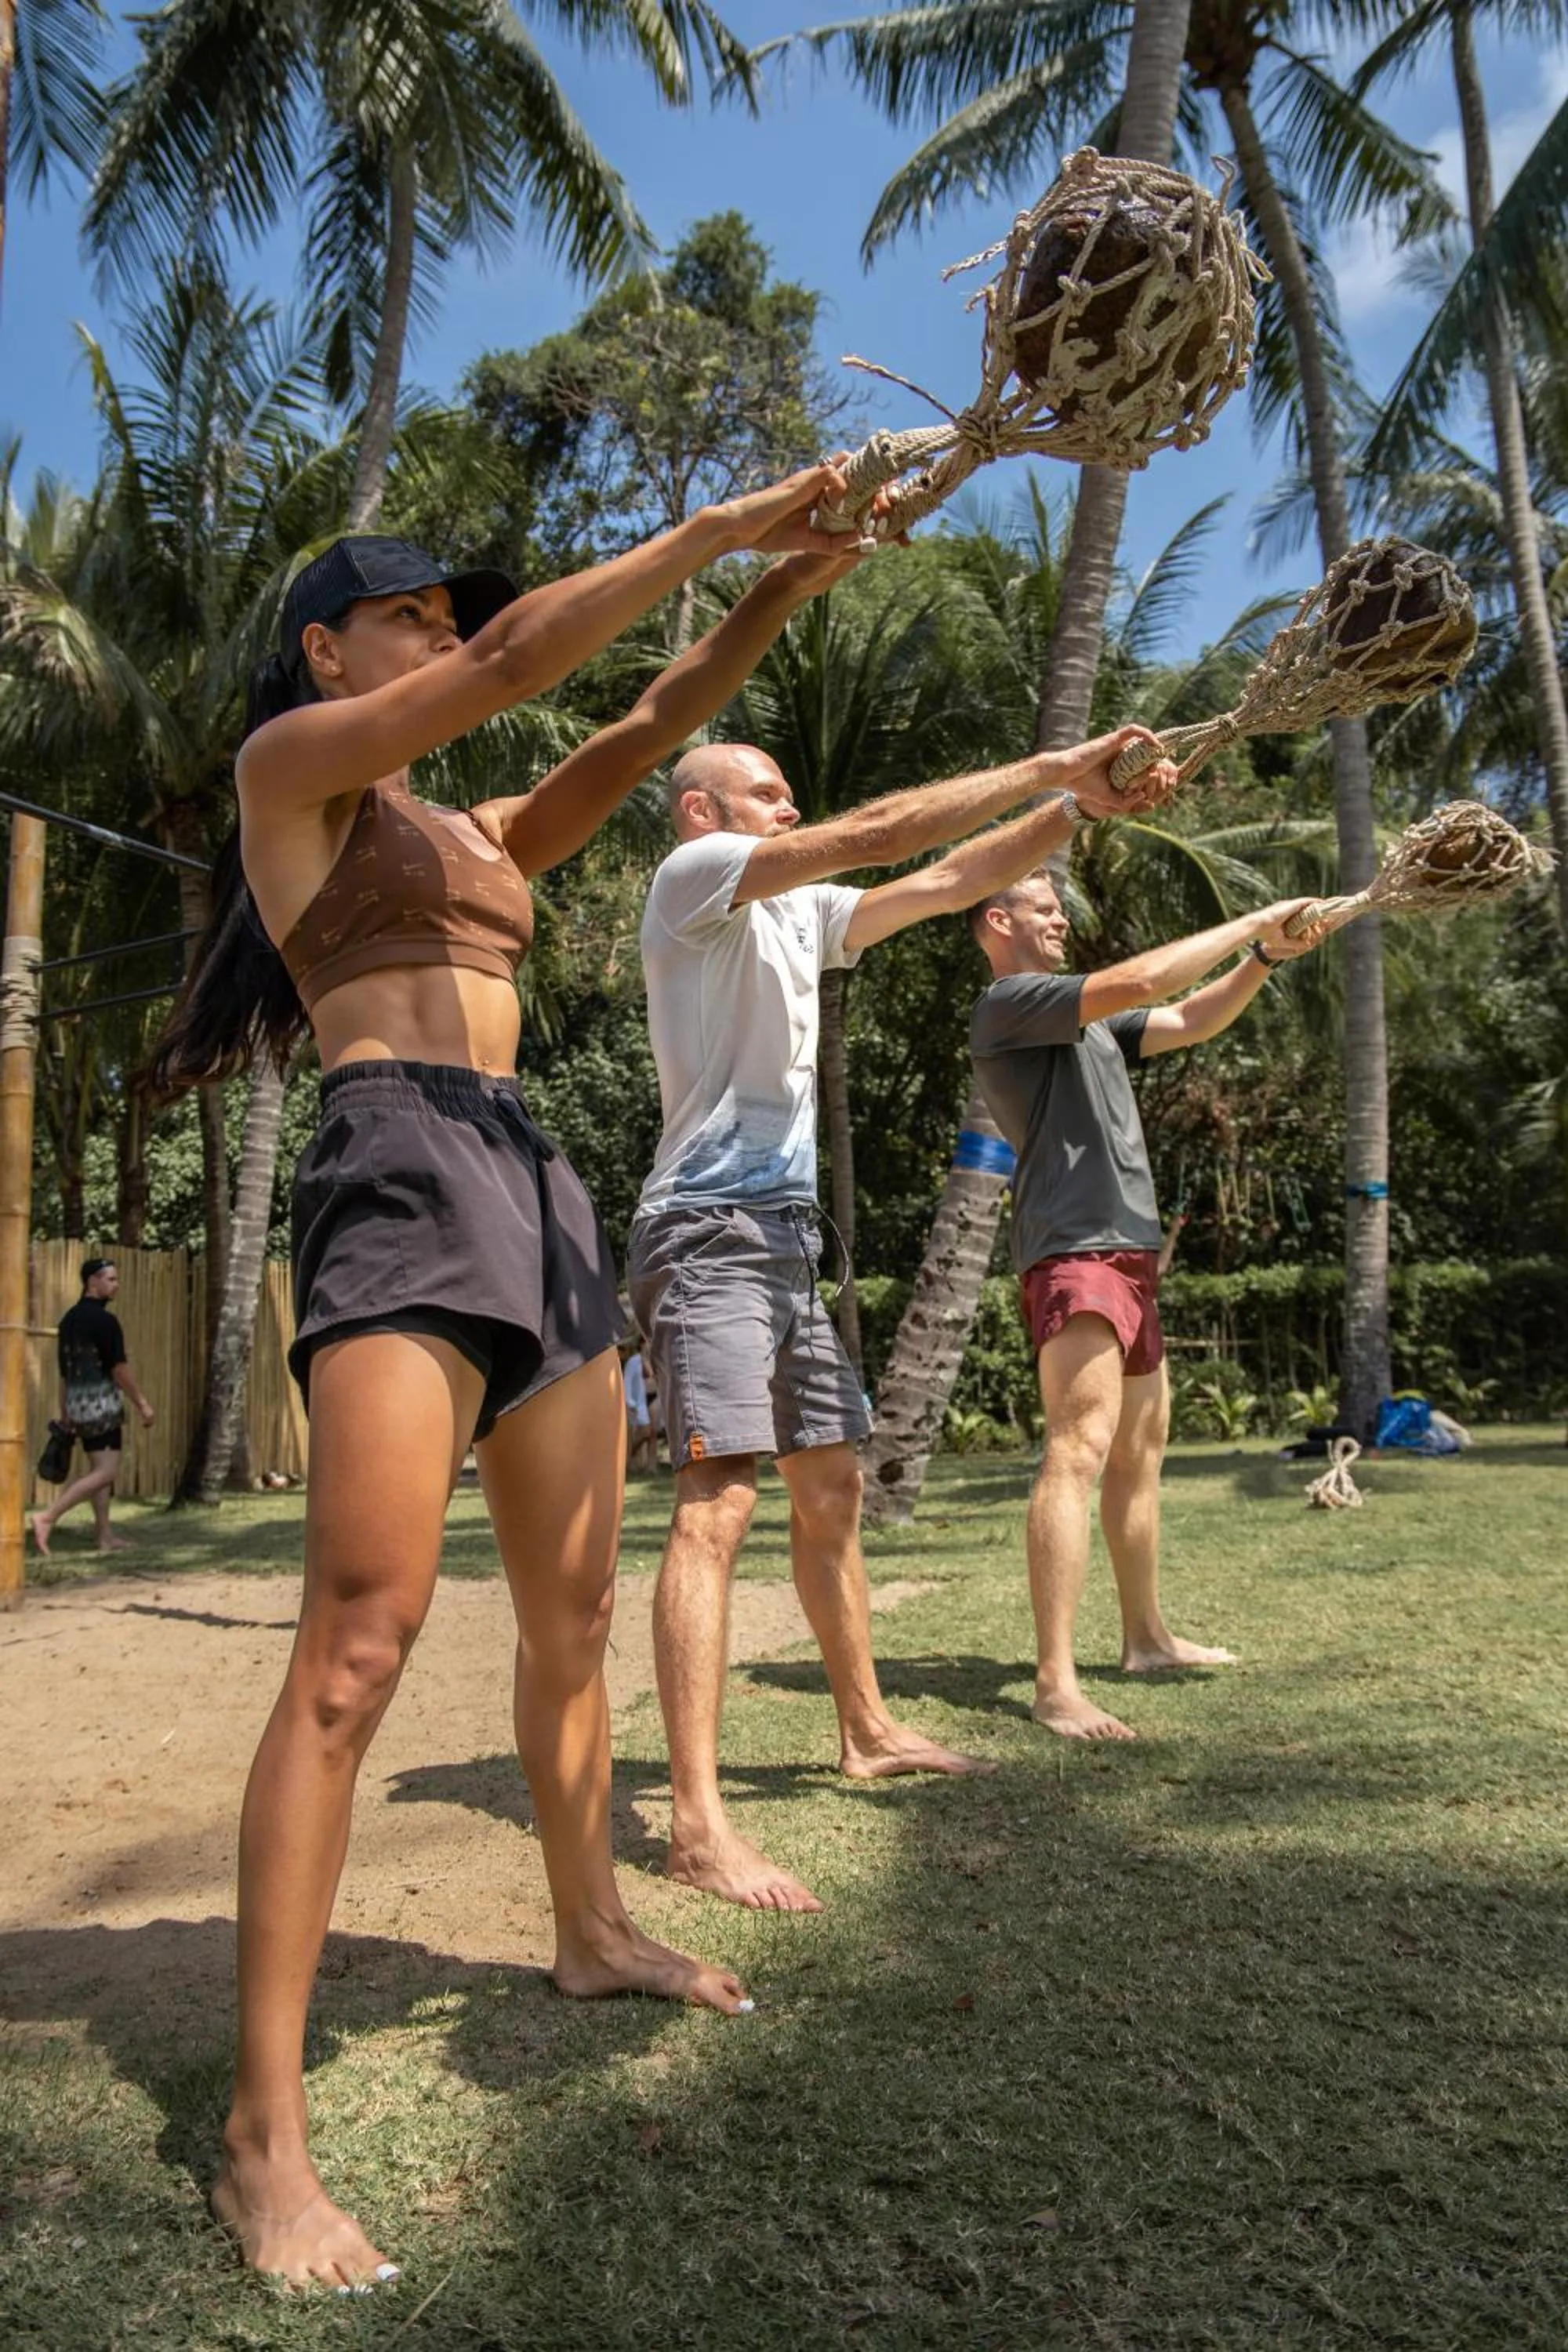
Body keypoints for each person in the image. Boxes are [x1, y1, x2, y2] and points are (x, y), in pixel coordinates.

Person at [146, 471, 869, 2289]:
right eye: (408, 614)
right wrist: (724, 524)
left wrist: (785, 584)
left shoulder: (472, 829)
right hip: (394, 1162)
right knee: (360, 1642)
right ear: (327, 648)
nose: (441, 636)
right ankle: (262, 2135)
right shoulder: (293, 774)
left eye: (443, 616)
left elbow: (643, 720)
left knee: (573, 1612)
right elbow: (515, 667)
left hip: (528, 1174)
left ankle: (589, 1926)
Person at [628, 728, 1175, 1913]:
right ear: (700, 812)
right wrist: (1052, 768)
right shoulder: (694, 879)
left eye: (789, 794)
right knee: (718, 1505)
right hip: (707, 1229)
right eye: (765, 792)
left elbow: (948, 878)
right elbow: (880, 836)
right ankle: (697, 1823)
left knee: (831, 1492)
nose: (788, 807)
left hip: (788, 1239)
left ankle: (867, 1731)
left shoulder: (802, 914)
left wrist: (1079, 810)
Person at [967, 869, 1326, 1742]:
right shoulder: (1011, 1003)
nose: (1060, 919)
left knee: (1137, 1456)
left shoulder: (1087, 1024)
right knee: (1078, 1451)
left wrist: (1263, 959)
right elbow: (1140, 980)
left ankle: (1146, 1639)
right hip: (1075, 1250)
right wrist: (1254, 918)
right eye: (1043, 907)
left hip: (1128, 1250)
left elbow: (1190, 1016)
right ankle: (1055, 1684)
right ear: (997, 920)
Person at [30, 1257, 154, 1555]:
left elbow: (65, 1374)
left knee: (99, 1469)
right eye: (111, 1279)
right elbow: (119, 1369)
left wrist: (66, 1414)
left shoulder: (69, 1320)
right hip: (102, 1407)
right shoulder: (105, 1322)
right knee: (106, 1472)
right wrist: (143, 1404)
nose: (116, 1285)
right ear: (92, 1282)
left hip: (78, 1406)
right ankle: (48, 1517)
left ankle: (104, 1536)